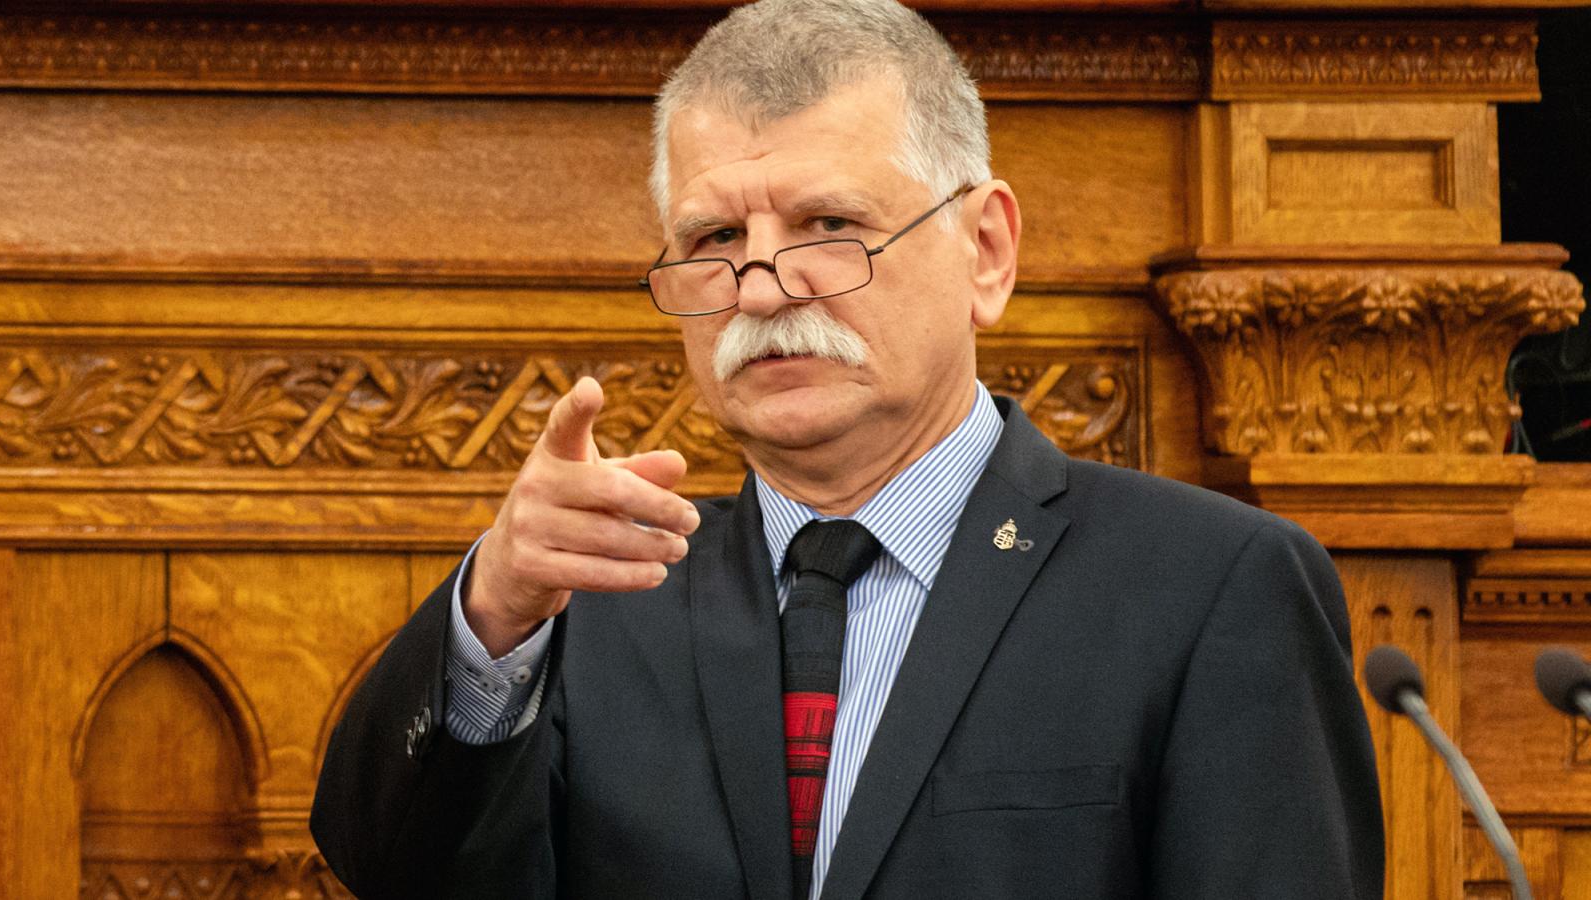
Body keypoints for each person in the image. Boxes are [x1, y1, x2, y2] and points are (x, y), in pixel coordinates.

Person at [310, 1, 1385, 897]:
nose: (761, 288)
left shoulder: (1209, 587)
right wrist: (495, 608)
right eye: (715, 239)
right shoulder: (592, 596)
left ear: (986, 251)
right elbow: (390, 870)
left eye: (828, 225)